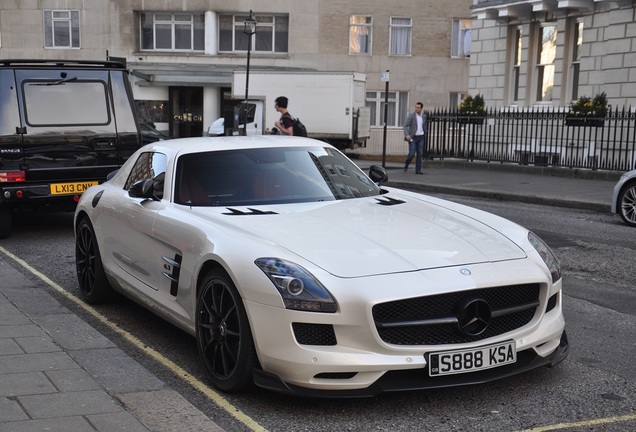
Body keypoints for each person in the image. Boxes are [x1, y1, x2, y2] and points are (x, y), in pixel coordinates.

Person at [403, 102, 427, 174]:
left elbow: (424, 125)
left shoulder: (424, 116)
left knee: (420, 154)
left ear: (421, 108)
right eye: (416, 107)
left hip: (421, 137)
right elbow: (405, 126)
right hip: (413, 137)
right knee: (412, 153)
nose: (416, 109)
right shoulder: (411, 116)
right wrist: (407, 135)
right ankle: (407, 164)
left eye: (418, 108)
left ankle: (418, 170)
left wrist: (425, 132)